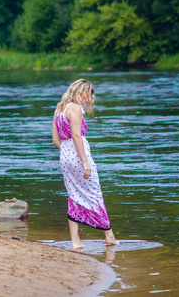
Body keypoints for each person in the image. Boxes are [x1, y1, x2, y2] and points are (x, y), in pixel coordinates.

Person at [52, 79, 119, 249]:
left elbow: (55, 140)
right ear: (79, 91)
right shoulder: (75, 108)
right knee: (94, 193)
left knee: (74, 195)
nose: (88, 100)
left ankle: (75, 241)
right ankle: (109, 236)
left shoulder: (59, 108)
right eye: (87, 95)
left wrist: (67, 154)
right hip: (77, 154)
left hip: (65, 155)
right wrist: (84, 161)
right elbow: (76, 136)